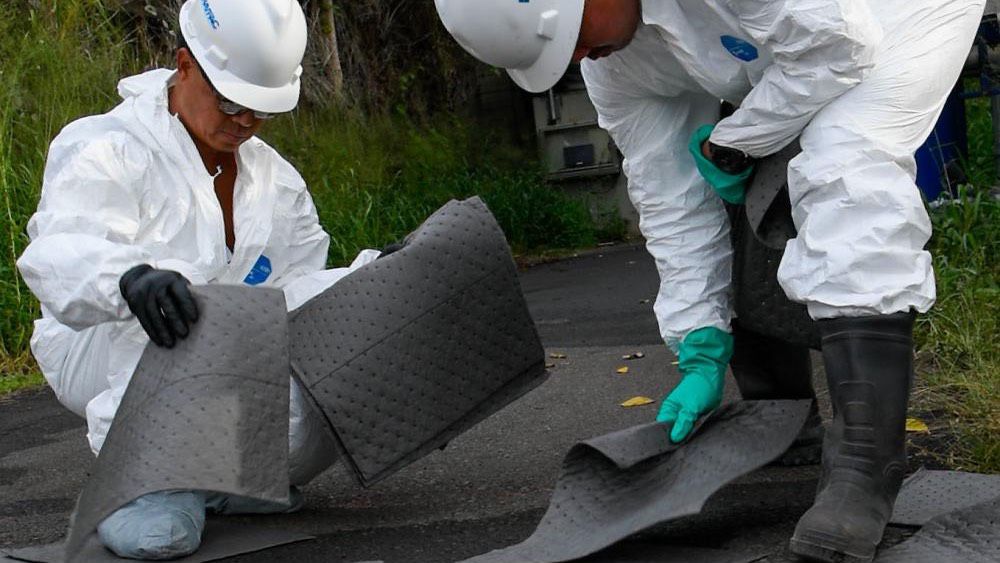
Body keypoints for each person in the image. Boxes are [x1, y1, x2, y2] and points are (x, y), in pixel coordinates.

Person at [433, 0, 985, 562]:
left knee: (844, 165)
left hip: (891, 14)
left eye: (571, 36)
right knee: (735, 178)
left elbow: (836, 50)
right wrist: (698, 340)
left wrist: (737, 139)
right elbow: (669, 194)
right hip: (806, 35)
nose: (575, 59)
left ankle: (866, 467)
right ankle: (784, 412)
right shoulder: (612, 64)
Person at [16, 0, 380, 559]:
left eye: (262, 109)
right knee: (187, 298)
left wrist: (373, 293)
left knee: (318, 388)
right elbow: (62, 247)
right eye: (231, 101)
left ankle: (220, 484)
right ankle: (141, 486)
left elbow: (299, 288)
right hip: (101, 342)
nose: (244, 122)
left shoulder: (276, 182)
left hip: (218, 357)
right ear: (185, 64)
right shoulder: (106, 146)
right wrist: (128, 278)